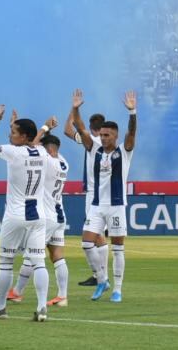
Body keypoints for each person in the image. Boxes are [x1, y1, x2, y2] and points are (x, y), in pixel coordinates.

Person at [0, 106, 56, 323]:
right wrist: (45, 126)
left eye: (13, 132)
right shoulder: (40, 151)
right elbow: (36, 139)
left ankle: (0, 306)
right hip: (38, 216)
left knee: (6, 263)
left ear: (24, 136)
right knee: (38, 262)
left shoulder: (13, 152)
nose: (10, 136)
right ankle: (41, 308)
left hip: (15, 216)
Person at [70, 89, 138, 303]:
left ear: (115, 136)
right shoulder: (94, 150)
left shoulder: (124, 151)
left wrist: (132, 112)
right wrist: (75, 109)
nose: (103, 138)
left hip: (117, 206)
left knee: (118, 248)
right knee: (86, 243)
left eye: (107, 135)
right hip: (97, 206)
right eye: (101, 135)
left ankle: (117, 289)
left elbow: (132, 133)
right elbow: (80, 128)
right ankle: (102, 280)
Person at [9, 131, 71, 308]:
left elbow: (31, 148)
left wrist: (43, 129)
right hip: (59, 215)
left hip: (47, 216)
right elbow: (45, 146)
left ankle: (17, 292)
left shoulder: (47, 161)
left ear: (47, 149)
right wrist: (48, 133)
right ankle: (62, 296)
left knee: (31, 255)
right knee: (57, 256)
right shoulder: (63, 162)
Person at [64, 99, 107, 287]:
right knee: (97, 235)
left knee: (93, 236)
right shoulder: (106, 142)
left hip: (94, 193)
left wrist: (73, 110)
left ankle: (101, 277)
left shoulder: (92, 141)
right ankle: (99, 276)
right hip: (102, 193)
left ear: (90, 127)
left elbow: (67, 129)